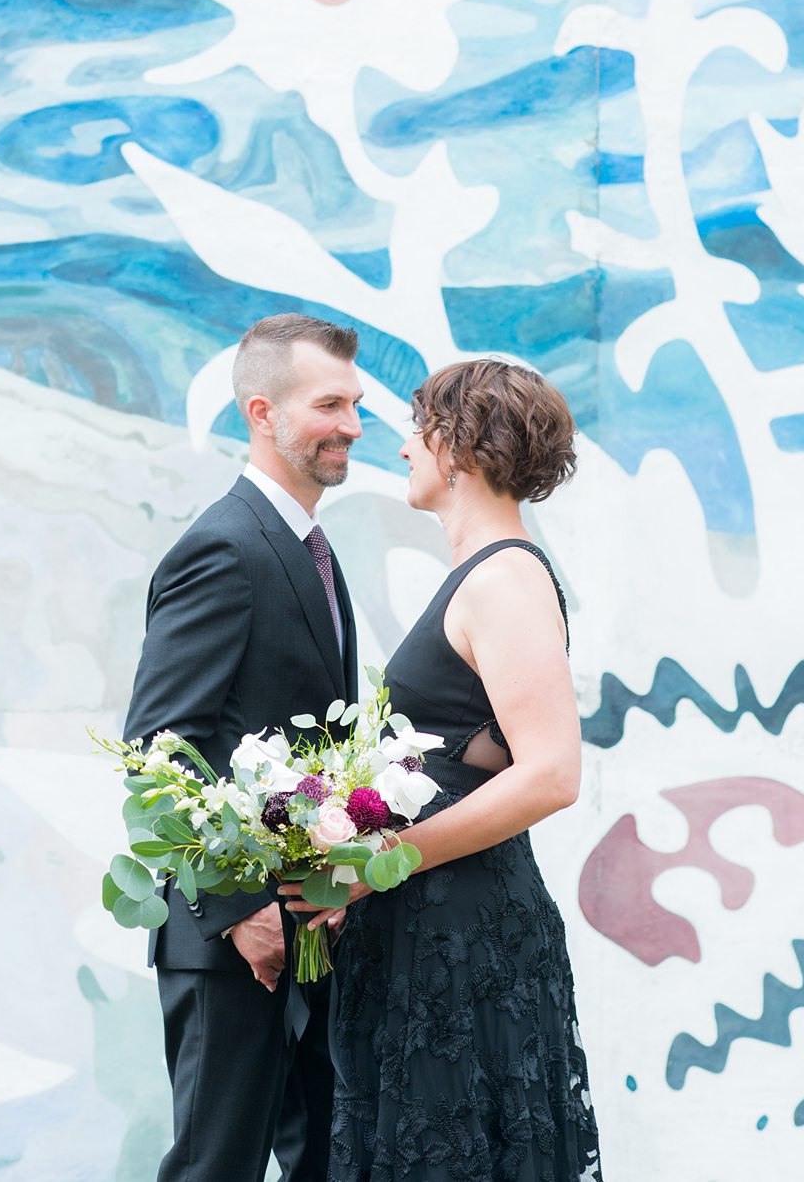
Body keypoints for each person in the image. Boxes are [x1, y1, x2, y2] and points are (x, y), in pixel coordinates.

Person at [283, 357, 603, 1182]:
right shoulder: (484, 575)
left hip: (465, 942)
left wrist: (377, 864)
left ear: (459, 445)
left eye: (418, 426)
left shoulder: (504, 579)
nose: (402, 449)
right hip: (431, 935)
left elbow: (552, 773)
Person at [124, 313, 362, 1182]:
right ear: (262, 412)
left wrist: (327, 889)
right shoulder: (223, 547)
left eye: (356, 404)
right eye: (329, 404)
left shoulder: (314, 549)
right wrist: (239, 908)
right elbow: (157, 749)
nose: (353, 426)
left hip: (309, 932)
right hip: (230, 941)